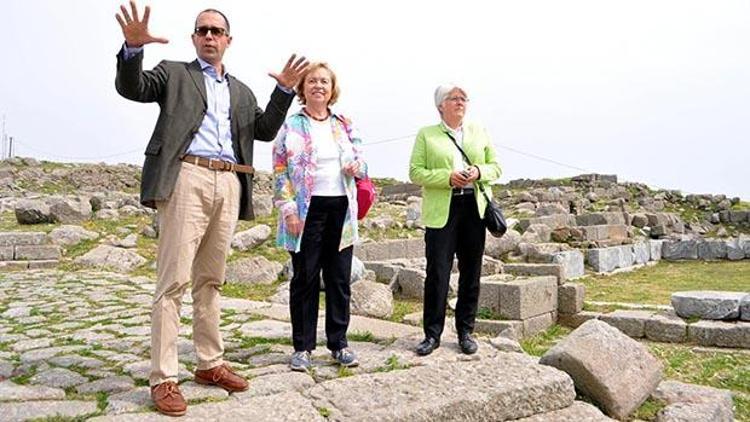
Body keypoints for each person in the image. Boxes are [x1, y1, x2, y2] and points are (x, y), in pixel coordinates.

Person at [114, 1, 308, 416]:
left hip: (230, 181)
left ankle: (209, 363)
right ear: (193, 38)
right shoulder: (174, 73)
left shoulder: (241, 90)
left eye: (216, 31)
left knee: (211, 280)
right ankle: (164, 377)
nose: (208, 36)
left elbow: (264, 129)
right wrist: (132, 51)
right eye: (202, 30)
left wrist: (284, 92)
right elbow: (134, 88)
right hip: (187, 176)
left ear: (228, 40)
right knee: (173, 282)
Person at [272, 62, 367, 373]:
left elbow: (362, 162)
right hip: (305, 211)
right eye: (312, 81)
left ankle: (338, 343)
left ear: (332, 88)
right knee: (305, 279)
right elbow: (280, 169)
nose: (318, 86)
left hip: (341, 209)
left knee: (339, 279)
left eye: (324, 81)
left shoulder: (344, 123)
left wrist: (357, 167)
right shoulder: (292, 125)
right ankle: (302, 347)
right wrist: (288, 210)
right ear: (303, 88)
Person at [408, 84, 501, 356]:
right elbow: (415, 172)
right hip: (443, 208)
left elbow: (496, 166)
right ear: (441, 105)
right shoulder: (427, 134)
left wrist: (478, 171)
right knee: (438, 272)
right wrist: (447, 178)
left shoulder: (479, 131)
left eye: (463, 98)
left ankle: (465, 331)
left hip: (474, 207)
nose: (460, 102)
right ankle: (432, 334)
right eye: (453, 98)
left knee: (471, 271)